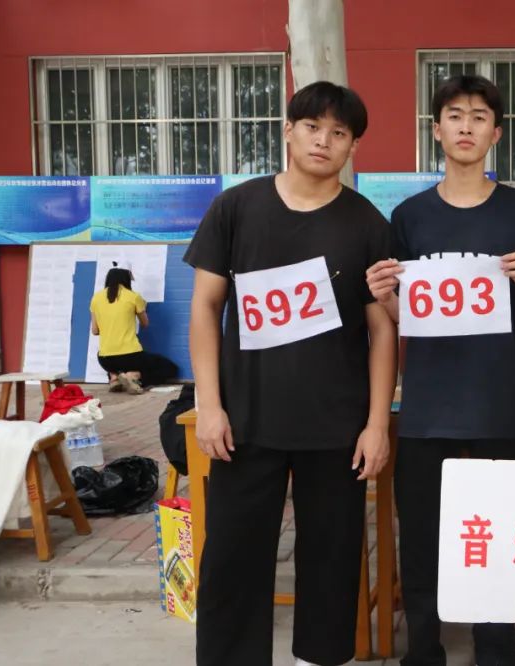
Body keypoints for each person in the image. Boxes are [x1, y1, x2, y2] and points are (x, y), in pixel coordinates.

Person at [184, 81, 397, 666]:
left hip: (336, 428)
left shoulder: (366, 223)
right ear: (288, 130)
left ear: (353, 146)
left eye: (338, 133)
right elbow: (205, 308)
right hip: (245, 423)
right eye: (312, 127)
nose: (323, 140)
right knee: (232, 558)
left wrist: (376, 423)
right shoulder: (237, 208)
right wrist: (209, 405)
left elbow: (383, 330)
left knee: (333, 558)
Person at [365, 74, 515, 666]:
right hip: (426, 411)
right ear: (436, 129)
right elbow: (403, 316)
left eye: (478, 117)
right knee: (423, 543)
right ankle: (425, 652)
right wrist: (385, 295)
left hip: (496, 407)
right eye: (454, 115)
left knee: (499, 538)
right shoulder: (410, 216)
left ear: (497, 133)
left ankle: (497, 652)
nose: (466, 126)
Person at [89, 261, 178, 393]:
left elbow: (95, 331)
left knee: (113, 360)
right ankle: (134, 376)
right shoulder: (133, 297)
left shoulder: (96, 298)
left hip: (105, 360)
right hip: (131, 357)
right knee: (169, 368)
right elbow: (145, 324)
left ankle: (114, 377)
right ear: (126, 277)